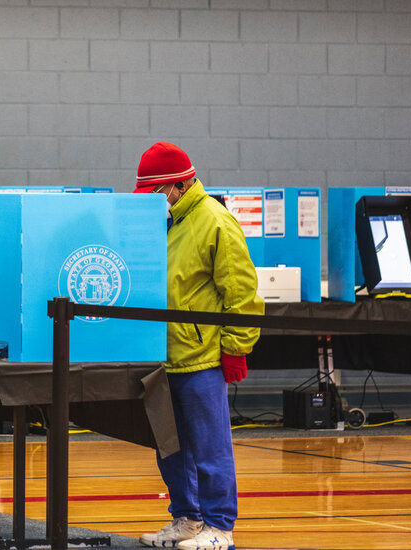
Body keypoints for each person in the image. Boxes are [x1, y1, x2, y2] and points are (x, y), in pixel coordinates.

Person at [134, 142, 264, 550]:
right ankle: (187, 519)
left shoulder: (216, 222)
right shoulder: (164, 221)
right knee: (170, 449)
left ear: (178, 185)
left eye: (155, 192)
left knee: (210, 450)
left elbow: (242, 294)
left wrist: (236, 348)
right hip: (162, 358)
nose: (151, 201)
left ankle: (220, 528)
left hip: (201, 358)